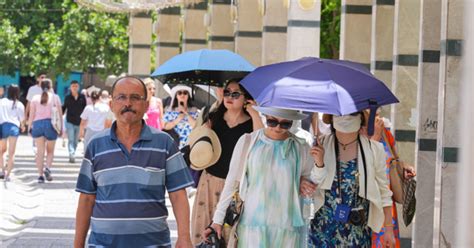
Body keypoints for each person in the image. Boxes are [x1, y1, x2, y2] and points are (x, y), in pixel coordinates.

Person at [74, 76, 194, 248]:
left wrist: (184, 237)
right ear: (111, 104)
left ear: (146, 105)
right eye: (121, 97)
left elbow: (178, 195)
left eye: (135, 97)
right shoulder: (96, 145)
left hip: (153, 244)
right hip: (103, 244)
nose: (128, 103)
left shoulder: (164, 143)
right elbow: (86, 199)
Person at [203, 106, 325, 247]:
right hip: (252, 225)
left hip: (287, 227)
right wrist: (217, 220)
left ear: (293, 122)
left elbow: (313, 184)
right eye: (272, 121)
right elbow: (231, 183)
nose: (278, 128)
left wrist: (319, 164)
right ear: (265, 116)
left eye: (285, 124)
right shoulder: (248, 141)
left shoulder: (301, 146)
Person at [301, 112, 396, 247]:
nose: (345, 118)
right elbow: (309, 185)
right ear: (332, 118)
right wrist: (319, 164)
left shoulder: (374, 149)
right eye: (339, 114)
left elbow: (384, 192)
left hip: (357, 231)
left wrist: (388, 229)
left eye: (352, 114)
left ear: (361, 118)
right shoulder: (319, 145)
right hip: (322, 230)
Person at [190, 80, 263, 245]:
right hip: (209, 181)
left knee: (230, 235)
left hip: (236, 188)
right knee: (202, 233)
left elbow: (262, 143)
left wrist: (255, 112)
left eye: (235, 94)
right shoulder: (213, 117)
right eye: (227, 92)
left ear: (246, 98)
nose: (229, 96)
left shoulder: (251, 123)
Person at [359, 110, 416, 248]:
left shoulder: (384, 132)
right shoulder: (354, 134)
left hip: (386, 205)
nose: (378, 109)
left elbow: (394, 160)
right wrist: (374, 141)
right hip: (365, 206)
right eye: (372, 105)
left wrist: (404, 168)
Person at [28, 79, 63, 183]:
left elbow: (31, 114)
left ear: (40, 86)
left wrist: (30, 127)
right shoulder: (55, 97)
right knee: (50, 151)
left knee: (40, 152)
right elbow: (60, 114)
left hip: (37, 125)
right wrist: (60, 128)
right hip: (51, 125)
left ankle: (40, 176)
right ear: (51, 86)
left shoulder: (35, 98)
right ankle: (47, 168)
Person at [0, 85, 25, 181]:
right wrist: (23, 127)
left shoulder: (2, 102)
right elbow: (22, 119)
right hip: (14, 128)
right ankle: (8, 175)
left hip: (2, 127)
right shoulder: (19, 104)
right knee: (11, 153)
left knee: (1, 151)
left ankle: (2, 171)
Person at [163, 85, 198, 149]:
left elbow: (196, 126)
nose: (182, 95)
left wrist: (186, 113)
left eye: (185, 93)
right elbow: (165, 126)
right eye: (179, 93)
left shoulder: (194, 111)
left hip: (190, 144)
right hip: (175, 144)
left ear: (188, 95)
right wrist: (177, 119)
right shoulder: (170, 111)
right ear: (176, 96)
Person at [62, 80, 87, 163]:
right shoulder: (67, 97)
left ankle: (73, 152)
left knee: (76, 140)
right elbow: (64, 108)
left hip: (79, 121)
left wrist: (85, 120)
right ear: (70, 87)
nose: (75, 88)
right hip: (69, 121)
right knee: (71, 139)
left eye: (76, 86)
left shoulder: (82, 97)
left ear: (78, 87)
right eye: (73, 86)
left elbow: (85, 109)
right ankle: (71, 154)